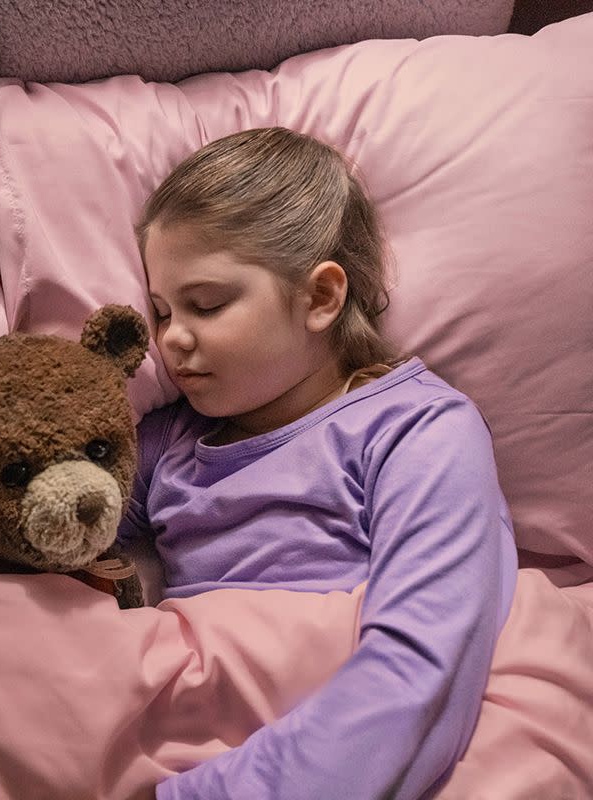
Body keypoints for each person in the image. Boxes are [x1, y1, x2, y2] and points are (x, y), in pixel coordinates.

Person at [118, 127, 518, 800]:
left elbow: (422, 666)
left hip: (330, 749)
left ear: (321, 297)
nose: (172, 339)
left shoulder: (415, 429)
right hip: (184, 722)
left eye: (206, 304)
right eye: (159, 311)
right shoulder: (167, 444)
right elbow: (45, 546)